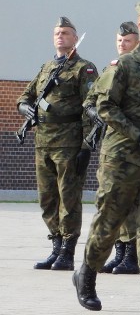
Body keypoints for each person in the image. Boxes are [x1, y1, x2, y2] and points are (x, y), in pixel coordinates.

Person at [72, 0, 140, 314]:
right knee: (109, 222)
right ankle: (87, 274)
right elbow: (104, 107)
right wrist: (139, 136)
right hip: (122, 155)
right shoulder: (124, 66)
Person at [18, 16, 98, 272]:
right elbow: (25, 97)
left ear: (75, 38)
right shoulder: (46, 68)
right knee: (47, 199)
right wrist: (25, 108)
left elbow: (90, 107)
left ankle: (67, 250)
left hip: (69, 143)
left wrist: (86, 146)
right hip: (43, 143)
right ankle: (55, 245)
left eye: (65, 33)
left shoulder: (84, 68)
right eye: (57, 33)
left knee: (69, 198)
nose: (60, 36)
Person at [93, 21, 140, 276]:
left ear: (137, 43)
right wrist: (96, 113)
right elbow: (92, 100)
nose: (122, 44)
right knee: (112, 200)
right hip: (111, 144)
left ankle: (132, 254)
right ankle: (121, 251)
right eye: (120, 40)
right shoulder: (109, 69)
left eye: (128, 40)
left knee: (130, 202)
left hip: (133, 144)